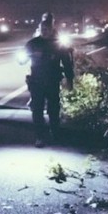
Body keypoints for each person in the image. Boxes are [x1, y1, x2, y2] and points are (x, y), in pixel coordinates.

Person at [23, 19, 74, 147]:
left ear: (52, 30)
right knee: (37, 110)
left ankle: (55, 132)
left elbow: (67, 63)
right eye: (42, 29)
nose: (44, 31)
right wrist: (27, 56)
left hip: (52, 81)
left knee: (54, 108)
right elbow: (22, 59)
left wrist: (69, 79)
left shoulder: (58, 45)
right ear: (39, 29)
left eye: (47, 29)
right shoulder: (32, 44)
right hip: (36, 82)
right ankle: (39, 136)